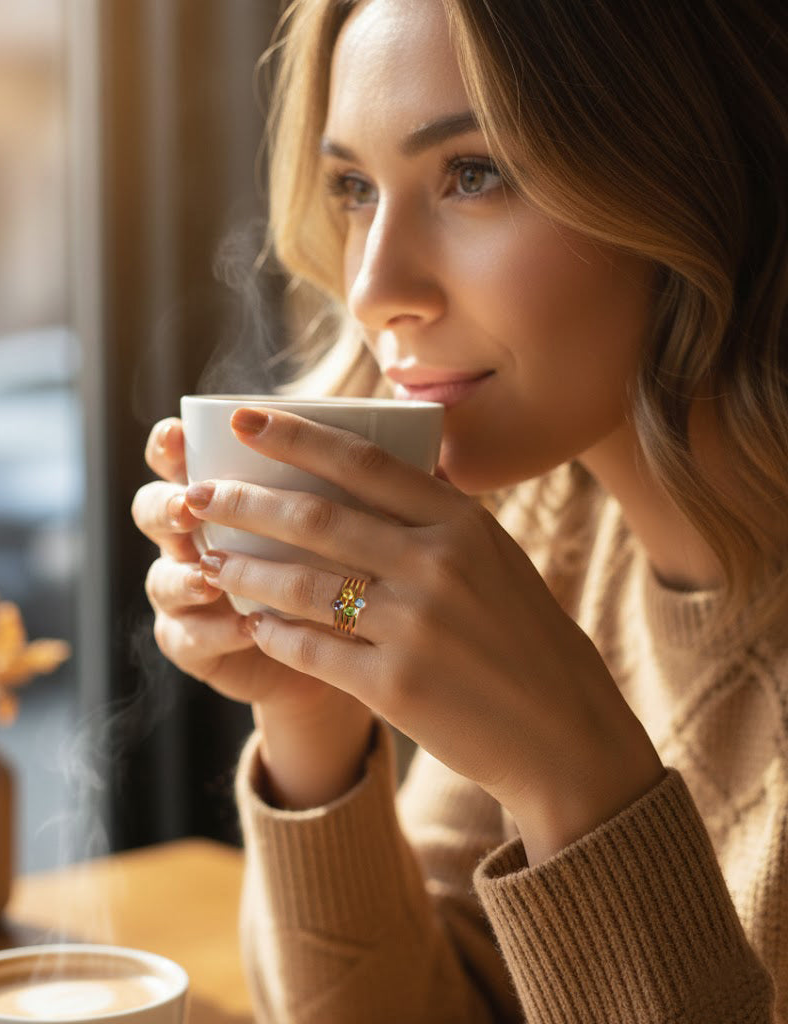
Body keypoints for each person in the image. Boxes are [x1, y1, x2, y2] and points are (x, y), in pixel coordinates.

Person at [131, 0, 786, 1019]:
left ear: (688, 172)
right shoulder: (552, 533)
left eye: (472, 173)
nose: (374, 286)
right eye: (352, 187)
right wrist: (311, 704)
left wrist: (577, 779)